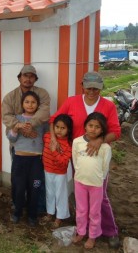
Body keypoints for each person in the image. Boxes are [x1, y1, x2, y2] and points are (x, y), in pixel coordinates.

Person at [49, 71, 121, 249]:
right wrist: (52, 138)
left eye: (96, 89)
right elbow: (54, 120)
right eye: (88, 87)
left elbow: (116, 131)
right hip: (79, 157)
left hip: (98, 159)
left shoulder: (107, 106)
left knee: (101, 196)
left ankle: (110, 230)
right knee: (81, 195)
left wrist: (99, 140)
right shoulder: (72, 101)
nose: (92, 91)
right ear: (82, 86)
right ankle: (84, 229)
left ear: (100, 89)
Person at [2, 65, 50, 212]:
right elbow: (6, 117)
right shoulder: (10, 97)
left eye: (31, 76)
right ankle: (17, 205)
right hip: (17, 144)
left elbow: (44, 112)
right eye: (25, 76)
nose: (28, 79)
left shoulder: (42, 94)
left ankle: (37, 208)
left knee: (37, 179)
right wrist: (22, 127)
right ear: (19, 77)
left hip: (36, 147)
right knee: (18, 179)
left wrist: (29, 126)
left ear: (35, 79)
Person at [7, 91, 48, 226]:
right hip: (19, 160)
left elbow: (47, 137)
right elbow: (11, 138)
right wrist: (16, 128)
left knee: (34, 188)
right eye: (27, 102)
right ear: (22, 104)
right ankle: (17, 213)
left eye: (33, 102)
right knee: (19, 188)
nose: (30, 105)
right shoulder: (17, 119)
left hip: (36, 161)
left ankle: (32, 215)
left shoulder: (41, 121)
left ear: (37, 105)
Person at [72, 112, 112, 249]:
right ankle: (81, 232)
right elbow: (75, 159)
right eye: (90, 125)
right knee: (81, 210)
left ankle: (93, 236)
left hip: (96, 185)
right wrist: (79, 174)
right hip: (80, 182)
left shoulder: (105, 147)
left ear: (102, 130)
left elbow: (105, 167)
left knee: (94, 212)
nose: (93, 129)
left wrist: (99, 180)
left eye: (97, 127)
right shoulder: (77, 142)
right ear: (85, 126)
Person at [40, 114, 73, 228]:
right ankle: (50, 213)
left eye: (63, 128)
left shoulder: (68, 144)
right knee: (49, 193)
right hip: (47, 170)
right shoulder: (47, 137)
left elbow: (63, 162)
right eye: (57, 127)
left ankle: (59, 217)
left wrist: (54, 152)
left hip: (60, 173)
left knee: (60, 195)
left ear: (68, 130)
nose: (59, 130)